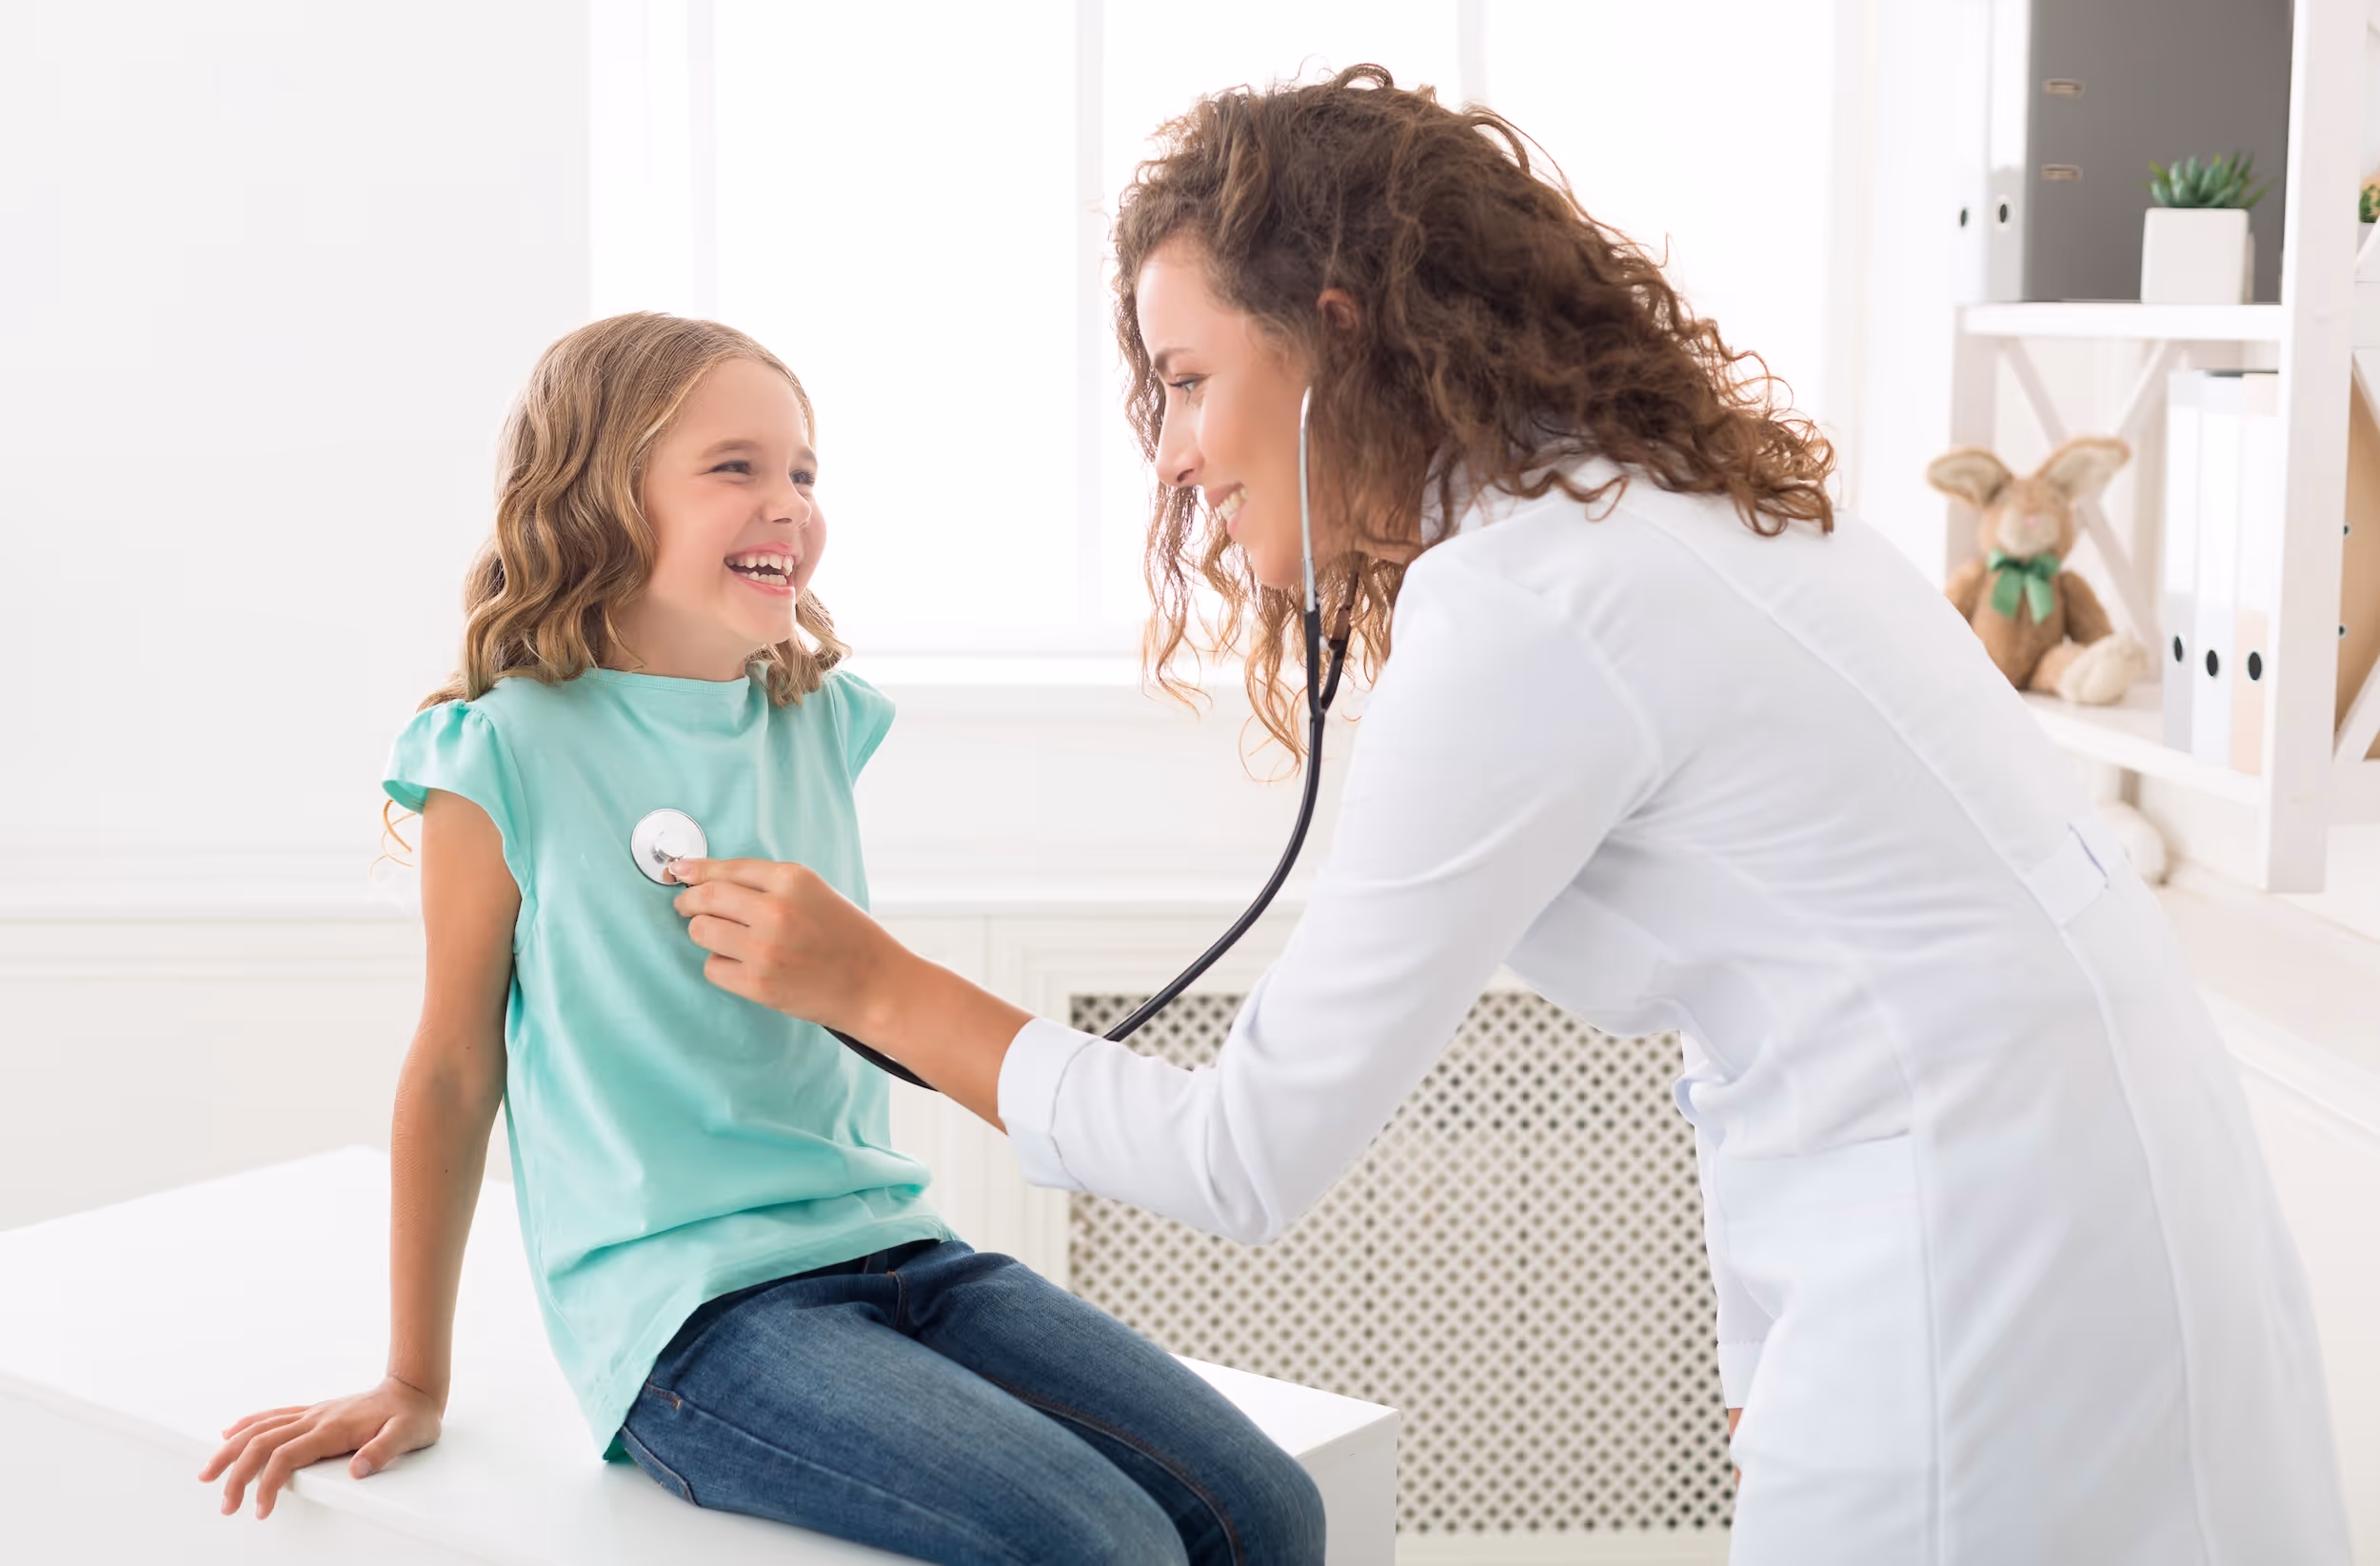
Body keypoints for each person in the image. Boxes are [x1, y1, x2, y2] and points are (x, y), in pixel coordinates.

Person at [662, 69, 2356, 1563]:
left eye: (1185, 379)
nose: (1170, 452)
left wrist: (871, 986)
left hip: (1981, 1266)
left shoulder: (1536, 604)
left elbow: (1246, 1157)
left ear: (1341, 335)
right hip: (2082, 1203)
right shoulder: (1666, 521)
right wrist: (1764, 1358)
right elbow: (1767, 1017)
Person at [196, 313, 1325, 1566]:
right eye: (735, 467)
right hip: (694, 1317)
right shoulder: (503, 751)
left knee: (1268, 1512)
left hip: (897, 1250)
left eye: (803, 472)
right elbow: (456, 1067)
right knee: (1100, 1541)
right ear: (598, 496)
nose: (787, 503)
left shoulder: (815, 719)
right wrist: (414, 1378)